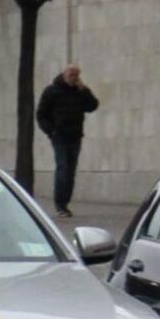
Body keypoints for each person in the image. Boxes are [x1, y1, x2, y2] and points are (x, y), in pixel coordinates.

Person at [34, 65, 98, 217]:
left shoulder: (80, 92)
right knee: (63, 168)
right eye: (71, 74)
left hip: (75, 136)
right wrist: (51, 131)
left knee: (70, 171)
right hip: (59, 136)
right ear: (64, 74)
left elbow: (92, 106)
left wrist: (85, 90)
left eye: (76, 75)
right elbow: (41, 114)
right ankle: (60, 205)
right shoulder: (52, 91)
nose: (74, 77)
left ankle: (65, 204)